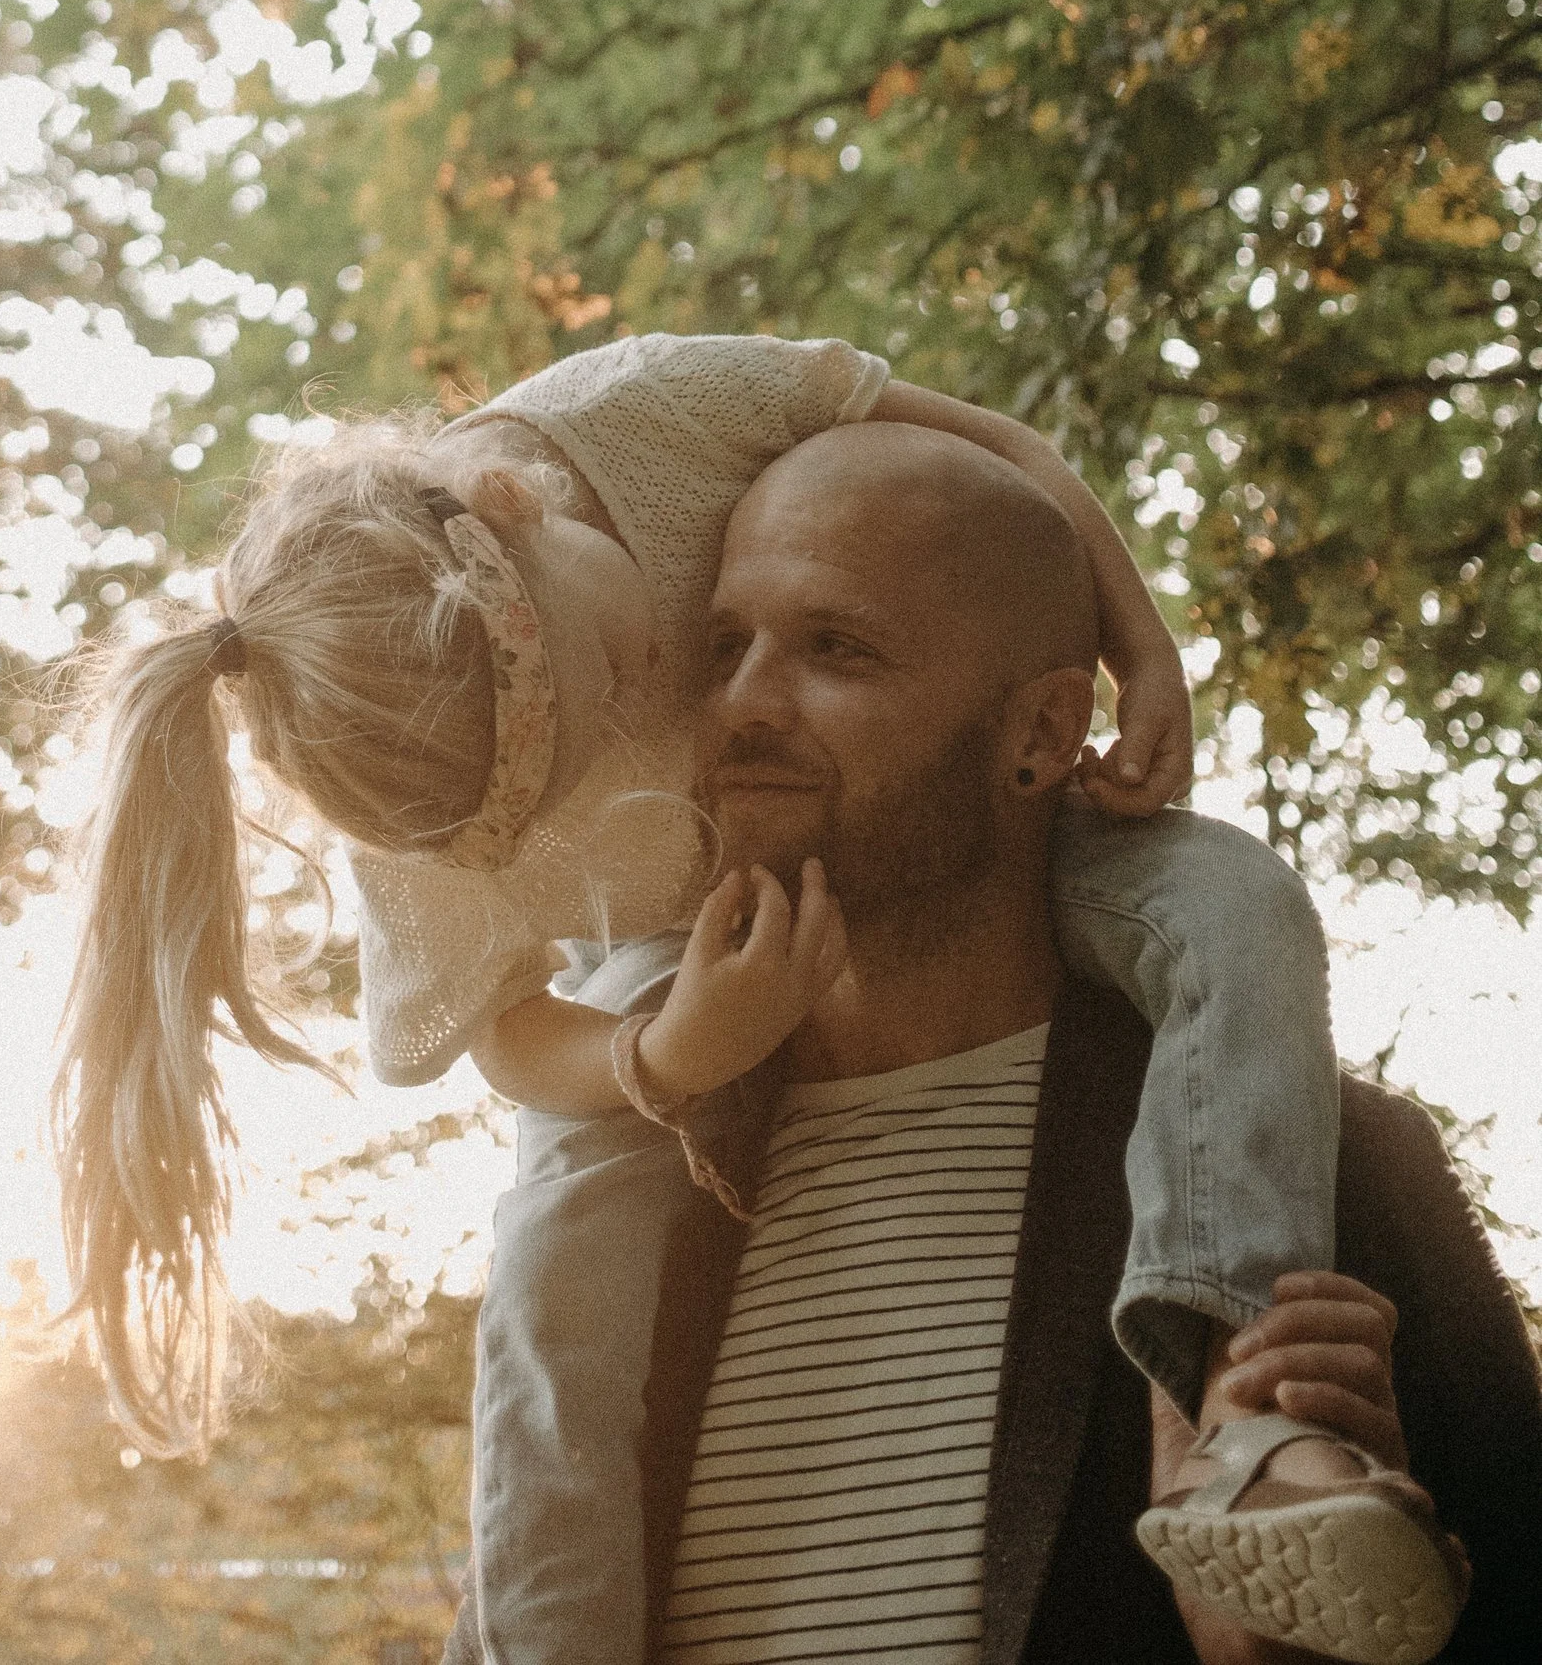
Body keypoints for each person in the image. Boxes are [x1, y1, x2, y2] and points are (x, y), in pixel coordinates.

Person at [50, 336, 1416, 1654]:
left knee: (1236, 902)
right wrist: (662, 1054)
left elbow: (996, 450)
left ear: (513, 506)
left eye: (834, 645)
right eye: (715, 647)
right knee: (559, 1240)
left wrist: (1146, 649)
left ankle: (1229, 1407)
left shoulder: (658, 406)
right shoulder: (404, 752)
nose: (714, 709)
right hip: (662, 976)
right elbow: (505, 1035)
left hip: (1063, 977)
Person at [444, 427, 1540, 1664]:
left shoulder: (1317, 1169)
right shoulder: (625, 1202)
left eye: (834, 649)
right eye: (720, 646)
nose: (742, 703)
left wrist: (1298, 1641)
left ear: (1038, 734)